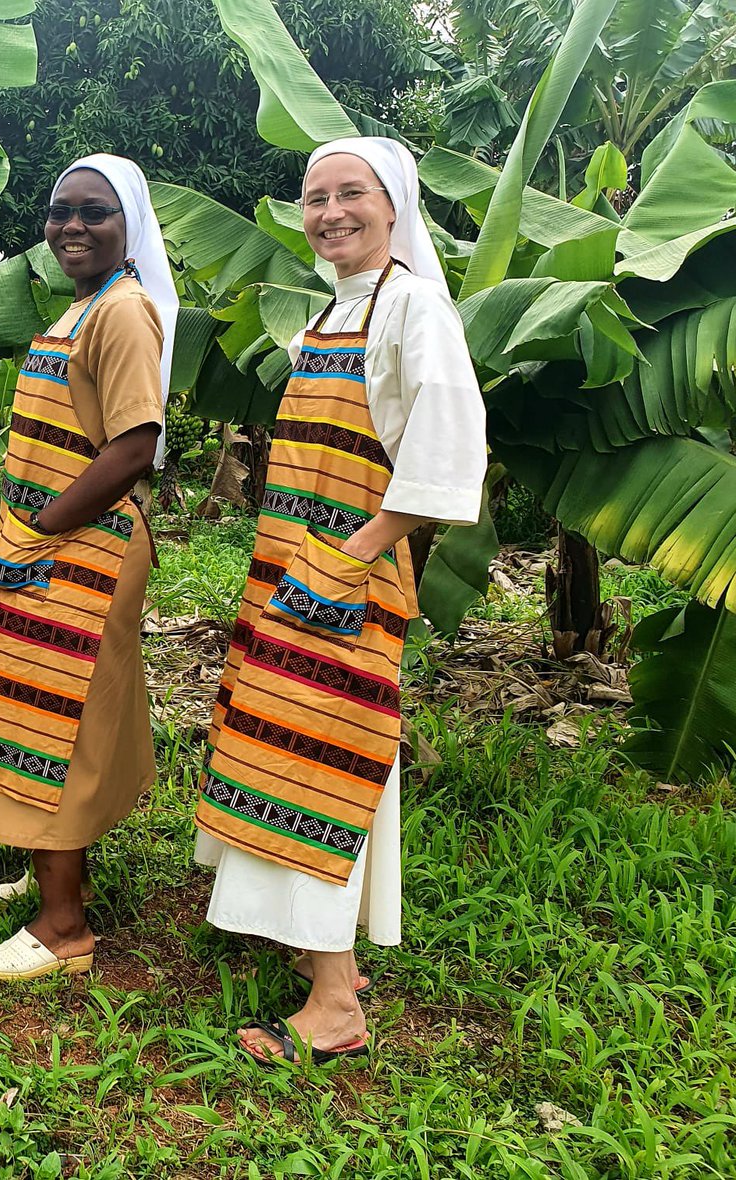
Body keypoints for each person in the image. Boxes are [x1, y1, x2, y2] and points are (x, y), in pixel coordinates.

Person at [194, 137, 487, 1063]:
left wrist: (352, 555)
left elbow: (448, 452)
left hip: (341, 579)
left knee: (320, 762)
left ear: (393, 204)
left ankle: (334, 1009)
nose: (330, 213)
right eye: (315, 197)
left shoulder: (413, 307)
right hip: (293, 570)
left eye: (350, 194)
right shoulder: (334, 310)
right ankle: (323, 954)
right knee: (279, 746)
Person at [0, 153, 178, 980]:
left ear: (129, 226)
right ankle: (49, 871)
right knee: (36, 708)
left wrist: (44, 525)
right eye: (60, 211)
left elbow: (135, 445)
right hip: (49, 541)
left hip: (80, 545)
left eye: (94, 212)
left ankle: (63, 926)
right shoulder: (84, 306)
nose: (72, 226)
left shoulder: (122, 312)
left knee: (55, 720)